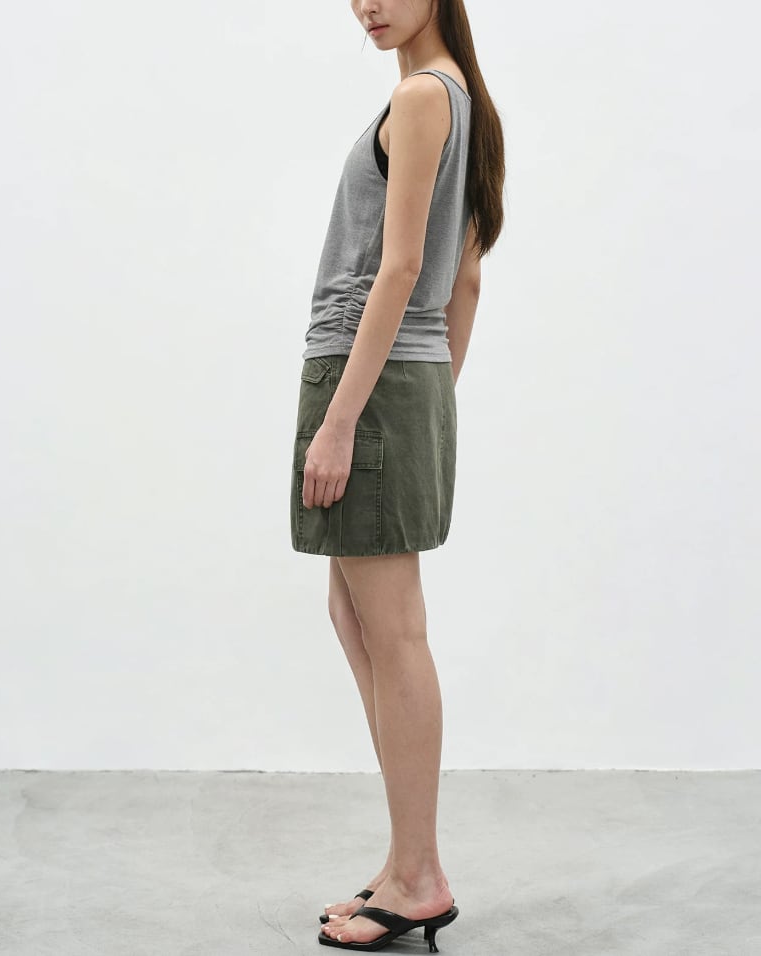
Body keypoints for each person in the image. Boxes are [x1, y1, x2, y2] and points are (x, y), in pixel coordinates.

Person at [290, 0, 505, 949]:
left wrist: (344, 420)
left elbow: (403, 266)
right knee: (358, 617)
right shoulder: (467, 101)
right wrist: (431, 397)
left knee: (392, 628)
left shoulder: (423, 98)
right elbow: (467, 280)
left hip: (365, 377)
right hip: (405, 381)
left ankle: (419, 876)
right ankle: (402, 860)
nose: (366, 5)